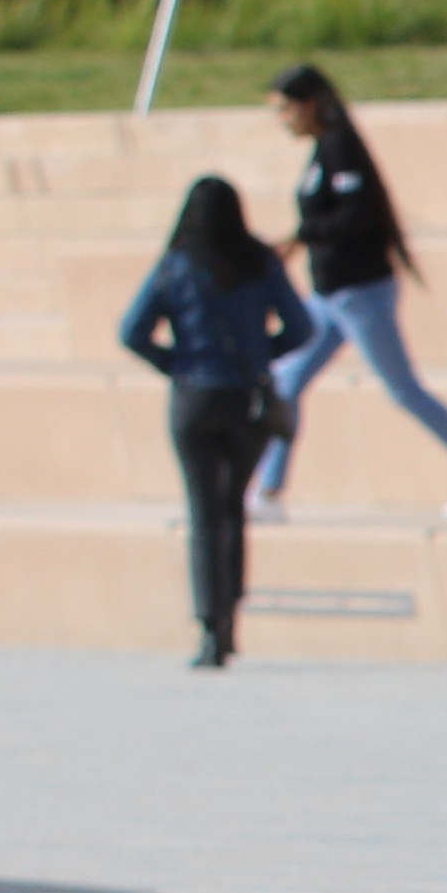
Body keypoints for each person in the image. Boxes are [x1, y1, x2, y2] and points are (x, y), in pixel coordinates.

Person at [258, 64, 447, 523]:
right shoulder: (320, 152)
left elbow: (356, 215)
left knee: (403, 389)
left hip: (360, 292)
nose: (283, 120)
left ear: (308, 104)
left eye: (285, 109)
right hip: (329, 297)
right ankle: (267, 493)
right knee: (286, 383)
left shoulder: (340, 148)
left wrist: (304, 234)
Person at [118, 175, 317, 671]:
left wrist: (176, 363)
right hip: (245, 399)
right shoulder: (260, 262)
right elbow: (301, 327)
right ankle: (231, 621)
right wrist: (258, 356)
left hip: (194, 399)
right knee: (233, 509)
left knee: (203, 514)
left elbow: (132, 331)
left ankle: (209, 626)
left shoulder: (177, 266)